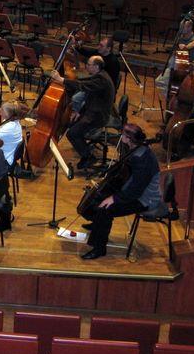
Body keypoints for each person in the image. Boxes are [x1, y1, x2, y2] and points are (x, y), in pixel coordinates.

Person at [81, 123, 164, 259]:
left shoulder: (141, 158)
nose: (120, 136)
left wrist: (114, 198)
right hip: (135, 192)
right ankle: (97, 224)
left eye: (123, 135)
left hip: (145, 199)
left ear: (127, 138)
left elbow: (136, 190)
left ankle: (99, 248)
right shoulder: (137, 148)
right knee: (101, 198)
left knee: (105, 209)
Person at [50, 55, 115, 170]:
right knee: (71, 125)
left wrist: (61, 80)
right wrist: (79, 112)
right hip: (93, 111)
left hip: (98, 116)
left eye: (88, 65)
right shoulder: (99, 76)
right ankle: (85, 150)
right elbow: (90, 97)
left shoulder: (101, 80)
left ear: (96, 66)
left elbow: (82, 85)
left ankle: (89, 157)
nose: (86, 66)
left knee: (72, 133)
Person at [0, 100, 25, 168]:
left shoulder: (10, 127)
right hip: (8, 152)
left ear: (8, 114)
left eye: (2, 109)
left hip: (6, 159)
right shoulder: (14, 121)